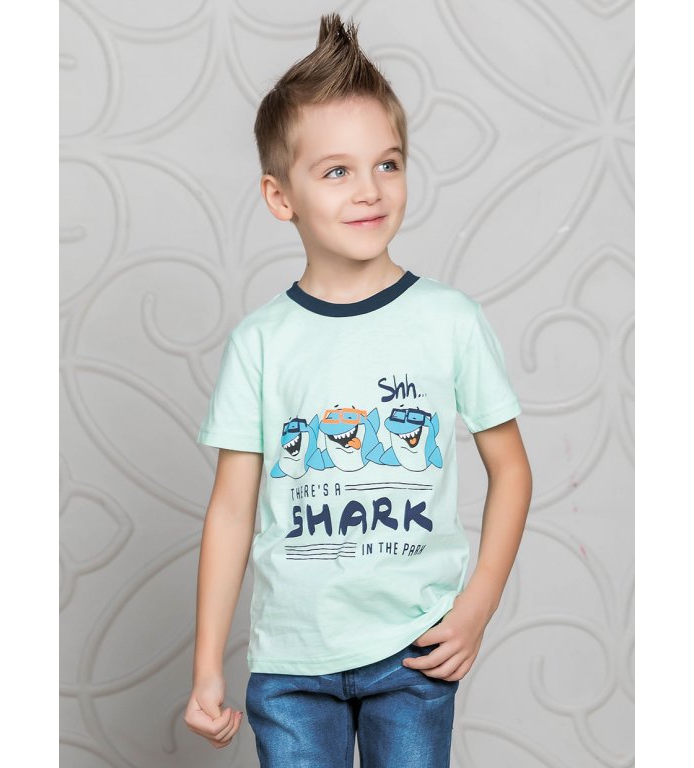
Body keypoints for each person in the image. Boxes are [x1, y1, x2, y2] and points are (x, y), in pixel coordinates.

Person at [184, 12, 532, 767]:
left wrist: (476, 607)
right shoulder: (261, 344)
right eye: (337, 171)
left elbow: (511, 470)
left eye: (388, 164)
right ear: (281, 196)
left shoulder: (450, 322)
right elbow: (232, 508)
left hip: (413, 652)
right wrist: (207, 664)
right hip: (291, 663)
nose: (370, 190)